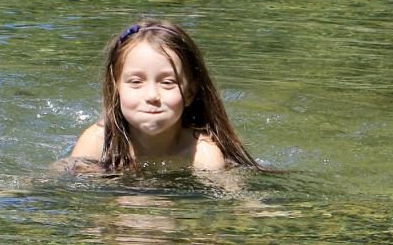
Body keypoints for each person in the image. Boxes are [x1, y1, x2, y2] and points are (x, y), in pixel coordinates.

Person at [69, 19, 258, 172]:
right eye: (136, 82)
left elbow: (230, 201)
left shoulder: (202, 154)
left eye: (168, 82)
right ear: (115, 89)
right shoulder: (98, 141)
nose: (152, 95)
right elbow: (65, 187)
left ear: (190, 93)